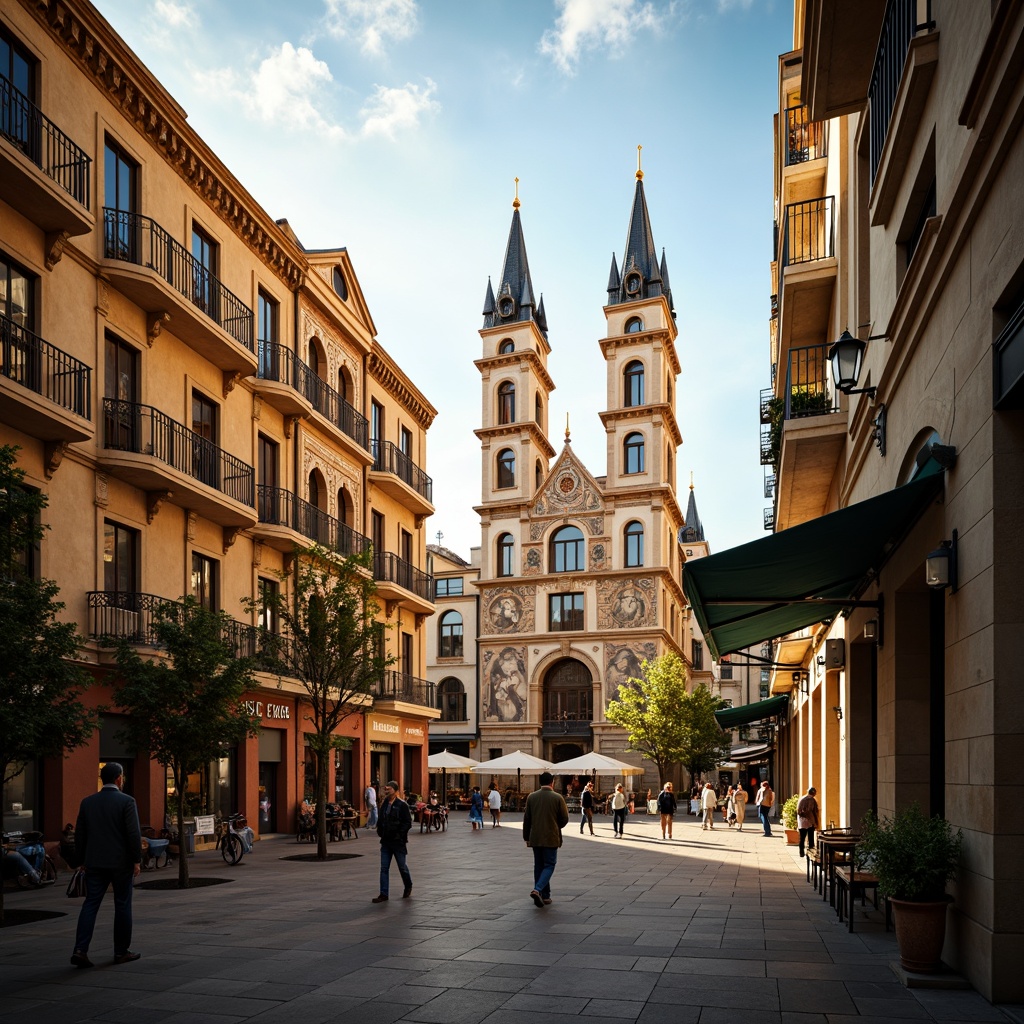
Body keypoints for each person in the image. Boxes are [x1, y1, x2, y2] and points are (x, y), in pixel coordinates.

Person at [70, 762, 143, 968]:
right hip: (121, 863)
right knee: (122, 904)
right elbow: (133, 834)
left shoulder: (88, 802)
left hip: (94, 861)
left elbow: (80, 834)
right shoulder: (127, 801)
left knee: (91, 903)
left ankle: (80, 949)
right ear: (119, 778)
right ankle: (121, 951)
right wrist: (136, 859)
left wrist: (81, 860)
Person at [522, 771, 569, 908]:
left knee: (539, 865)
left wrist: (526, 836)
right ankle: (537, 890)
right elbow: (565, 818)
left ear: (539, 782)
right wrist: (556, 826)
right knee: (549, 865)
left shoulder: (532, 797)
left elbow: (527, 819)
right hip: (551, 837)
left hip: (535, 837)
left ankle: (545, 895)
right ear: (552, 782)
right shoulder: (557, 797)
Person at [372, 780, 412, 902]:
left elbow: (407, 822)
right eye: (386, 789)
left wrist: (400, 834)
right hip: (386, 841)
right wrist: (380, 829)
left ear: (395, 790)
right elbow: (381, 818)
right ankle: (383, 894)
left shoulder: (402, 805)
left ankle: (408, 885)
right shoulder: (384, 804)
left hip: (398, 842)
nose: (386, 790)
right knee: (384, 868)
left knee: (402, 867)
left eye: (389, 789)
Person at [796, 786, 820, 857]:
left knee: (802, 838)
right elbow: (811, 811)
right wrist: (814, 822)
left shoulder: (802, 798)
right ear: (814, 793)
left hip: (801, 821)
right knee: (811, 838)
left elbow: (798, 810)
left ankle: (801, 853)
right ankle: (811, 854)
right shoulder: (811, 800)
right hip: (809, 822)